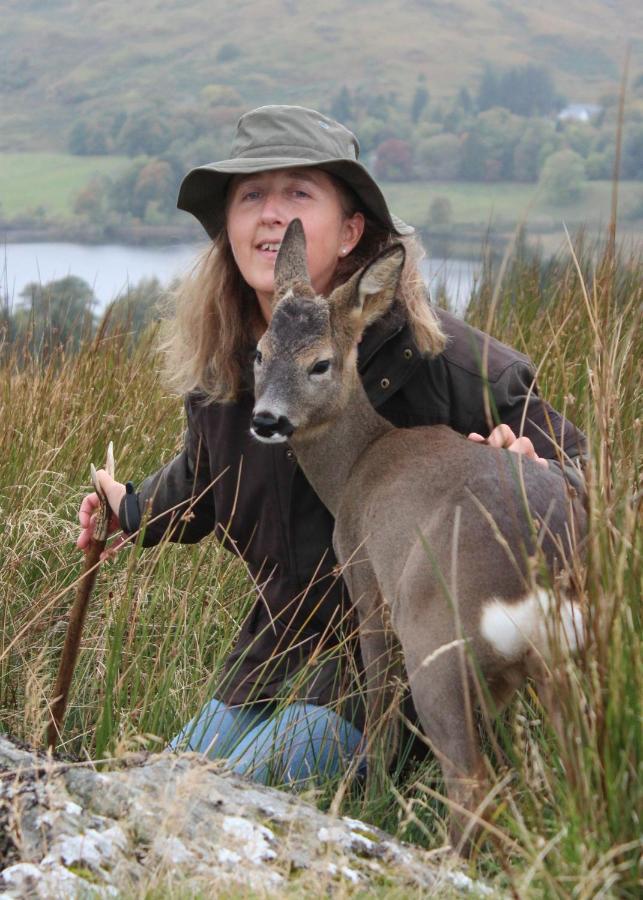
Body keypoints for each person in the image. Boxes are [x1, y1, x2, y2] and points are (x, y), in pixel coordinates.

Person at [77, 105, 585, 787]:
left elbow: (584, 479)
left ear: (351, 231)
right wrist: (128, 509)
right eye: (251, 195)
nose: (270, 215)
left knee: (221, 798)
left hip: (387, 671)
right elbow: (200, 480)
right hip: (270, 657)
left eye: (297, 194)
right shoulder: (231, 373)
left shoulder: (437, 358)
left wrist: (532, 470)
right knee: (149, 787)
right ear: (227, 226)